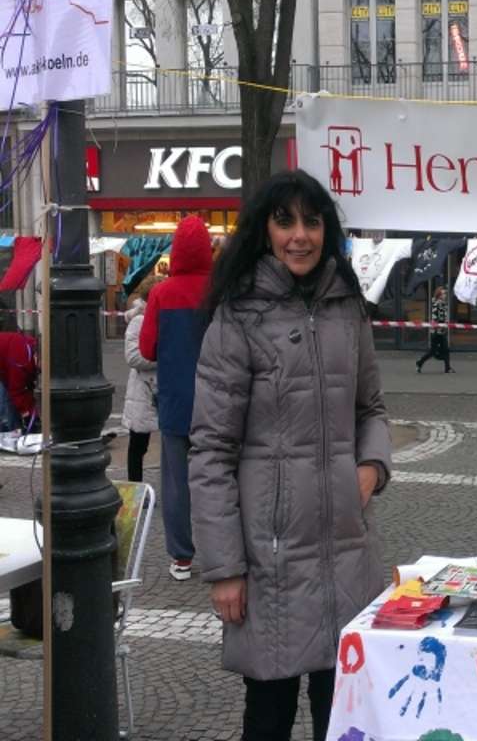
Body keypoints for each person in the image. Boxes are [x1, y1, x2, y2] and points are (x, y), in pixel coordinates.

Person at [189, 170, 391, 741]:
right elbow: (210, 450)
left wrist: (372, 468)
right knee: (270, 717)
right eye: (285, 221)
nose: (299, 236)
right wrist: (224, 568)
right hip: (269, 561)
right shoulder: (238, 317)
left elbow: (371, 406)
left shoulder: (347, 307)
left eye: (312, 221)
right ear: (264, 231)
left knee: (344, 717)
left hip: (346, 552)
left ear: (327, 229)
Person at [139, 214, 213, 581]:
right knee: (221, 479)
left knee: (176, 483)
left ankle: (181, 558)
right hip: (219, 404)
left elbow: (147, 348)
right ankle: (222, 555)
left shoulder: (160, 294)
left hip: (175, 404)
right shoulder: (222, 291)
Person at [122, 275, 160, 483]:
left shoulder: (166, 316)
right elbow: (133, 357)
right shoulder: (139, 321)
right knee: (138, 445)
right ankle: (135, 490)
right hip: (145, 391)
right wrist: (164, 359)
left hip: (164, 388)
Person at [0, 329, 37, 431]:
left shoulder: (31, 345)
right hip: (7, 367)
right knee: (7, 402)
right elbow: (16, 390)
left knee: (7, 398)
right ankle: (9, 430)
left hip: (5, 366)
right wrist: (27, 412)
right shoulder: (21, 361)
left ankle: (10, 428)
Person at [416, 285, 453, 373]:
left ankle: (447, 368)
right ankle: (420, 362)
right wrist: (441, 325)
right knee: (433, 351)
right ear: (439, 295)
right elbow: (436, 317)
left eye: (445, 293)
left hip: (441, 331)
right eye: (443, 294)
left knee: (445, 349)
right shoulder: (437, 304)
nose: (445, 295)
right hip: (437, 332)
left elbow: (444, 316)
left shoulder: (443, 304)